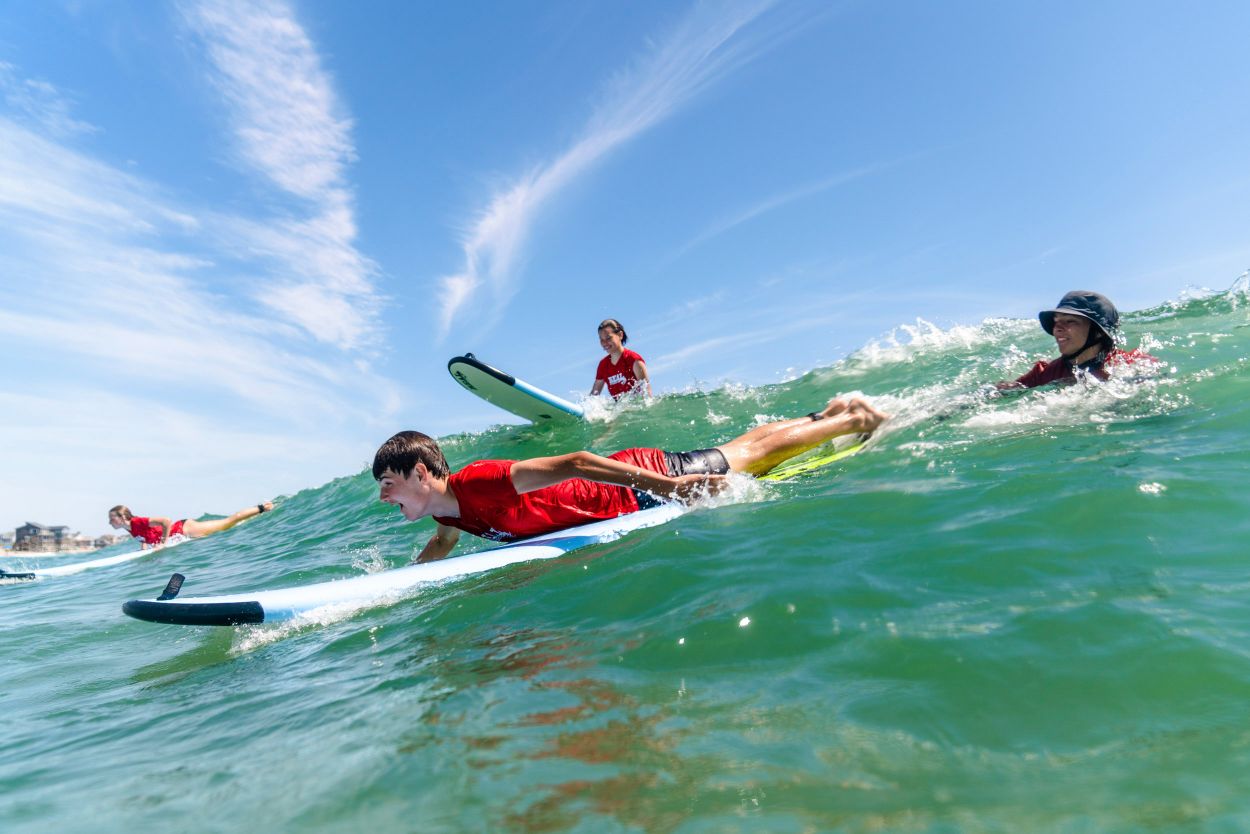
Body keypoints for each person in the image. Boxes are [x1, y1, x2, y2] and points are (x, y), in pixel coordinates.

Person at [374, 396, 887, 563]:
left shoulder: (479, 482)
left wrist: (669, 488)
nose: (383, 495)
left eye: (389, 483)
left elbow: (576, 460)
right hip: (630, 492)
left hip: (636, 483)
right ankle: (827, 417)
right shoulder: (446, 512)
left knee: (743, 456)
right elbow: (442, 545)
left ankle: (854, 420)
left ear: (422, 473)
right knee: (738, 449)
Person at [997, 290, 1156, 390]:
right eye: (1056, 321)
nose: (1057, 328)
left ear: (1098, 332)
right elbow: (1007, 391)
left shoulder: (1132, 364)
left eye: (1070, 321)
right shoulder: (1043, 373)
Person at [108, 502, 274, 549]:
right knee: (226, 526)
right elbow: (145, 539)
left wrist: (164, 543)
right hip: (183, 536)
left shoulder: (137, 521)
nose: (110, 522)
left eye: (112, 519)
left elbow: (166, 520)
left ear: (123, 517)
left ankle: (262, 507)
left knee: (228, 522)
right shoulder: (130, 529)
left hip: (184, 529)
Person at [590, 318, 652, 399]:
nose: (605, 343)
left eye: (608, 338)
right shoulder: (603, 365)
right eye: (601, 339)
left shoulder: (634, 360)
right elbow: (593, 396)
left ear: (620, 335)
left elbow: (647, 395)